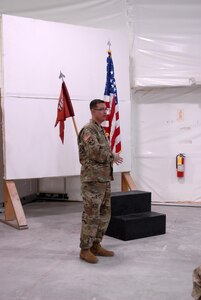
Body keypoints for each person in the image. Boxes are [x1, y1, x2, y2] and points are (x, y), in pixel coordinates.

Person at [78, 99, 123, 264]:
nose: (105, 112)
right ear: (92, 111)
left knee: (104, 214)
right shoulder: (88, 130)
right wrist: (113, 156)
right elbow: (95, 152)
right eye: (101, 109)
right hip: (92, 181)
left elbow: (101, 150)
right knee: (91, 215)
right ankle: (85, 249)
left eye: (106, 109)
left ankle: (96, 245)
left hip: (103, 179)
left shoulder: (100, 130)